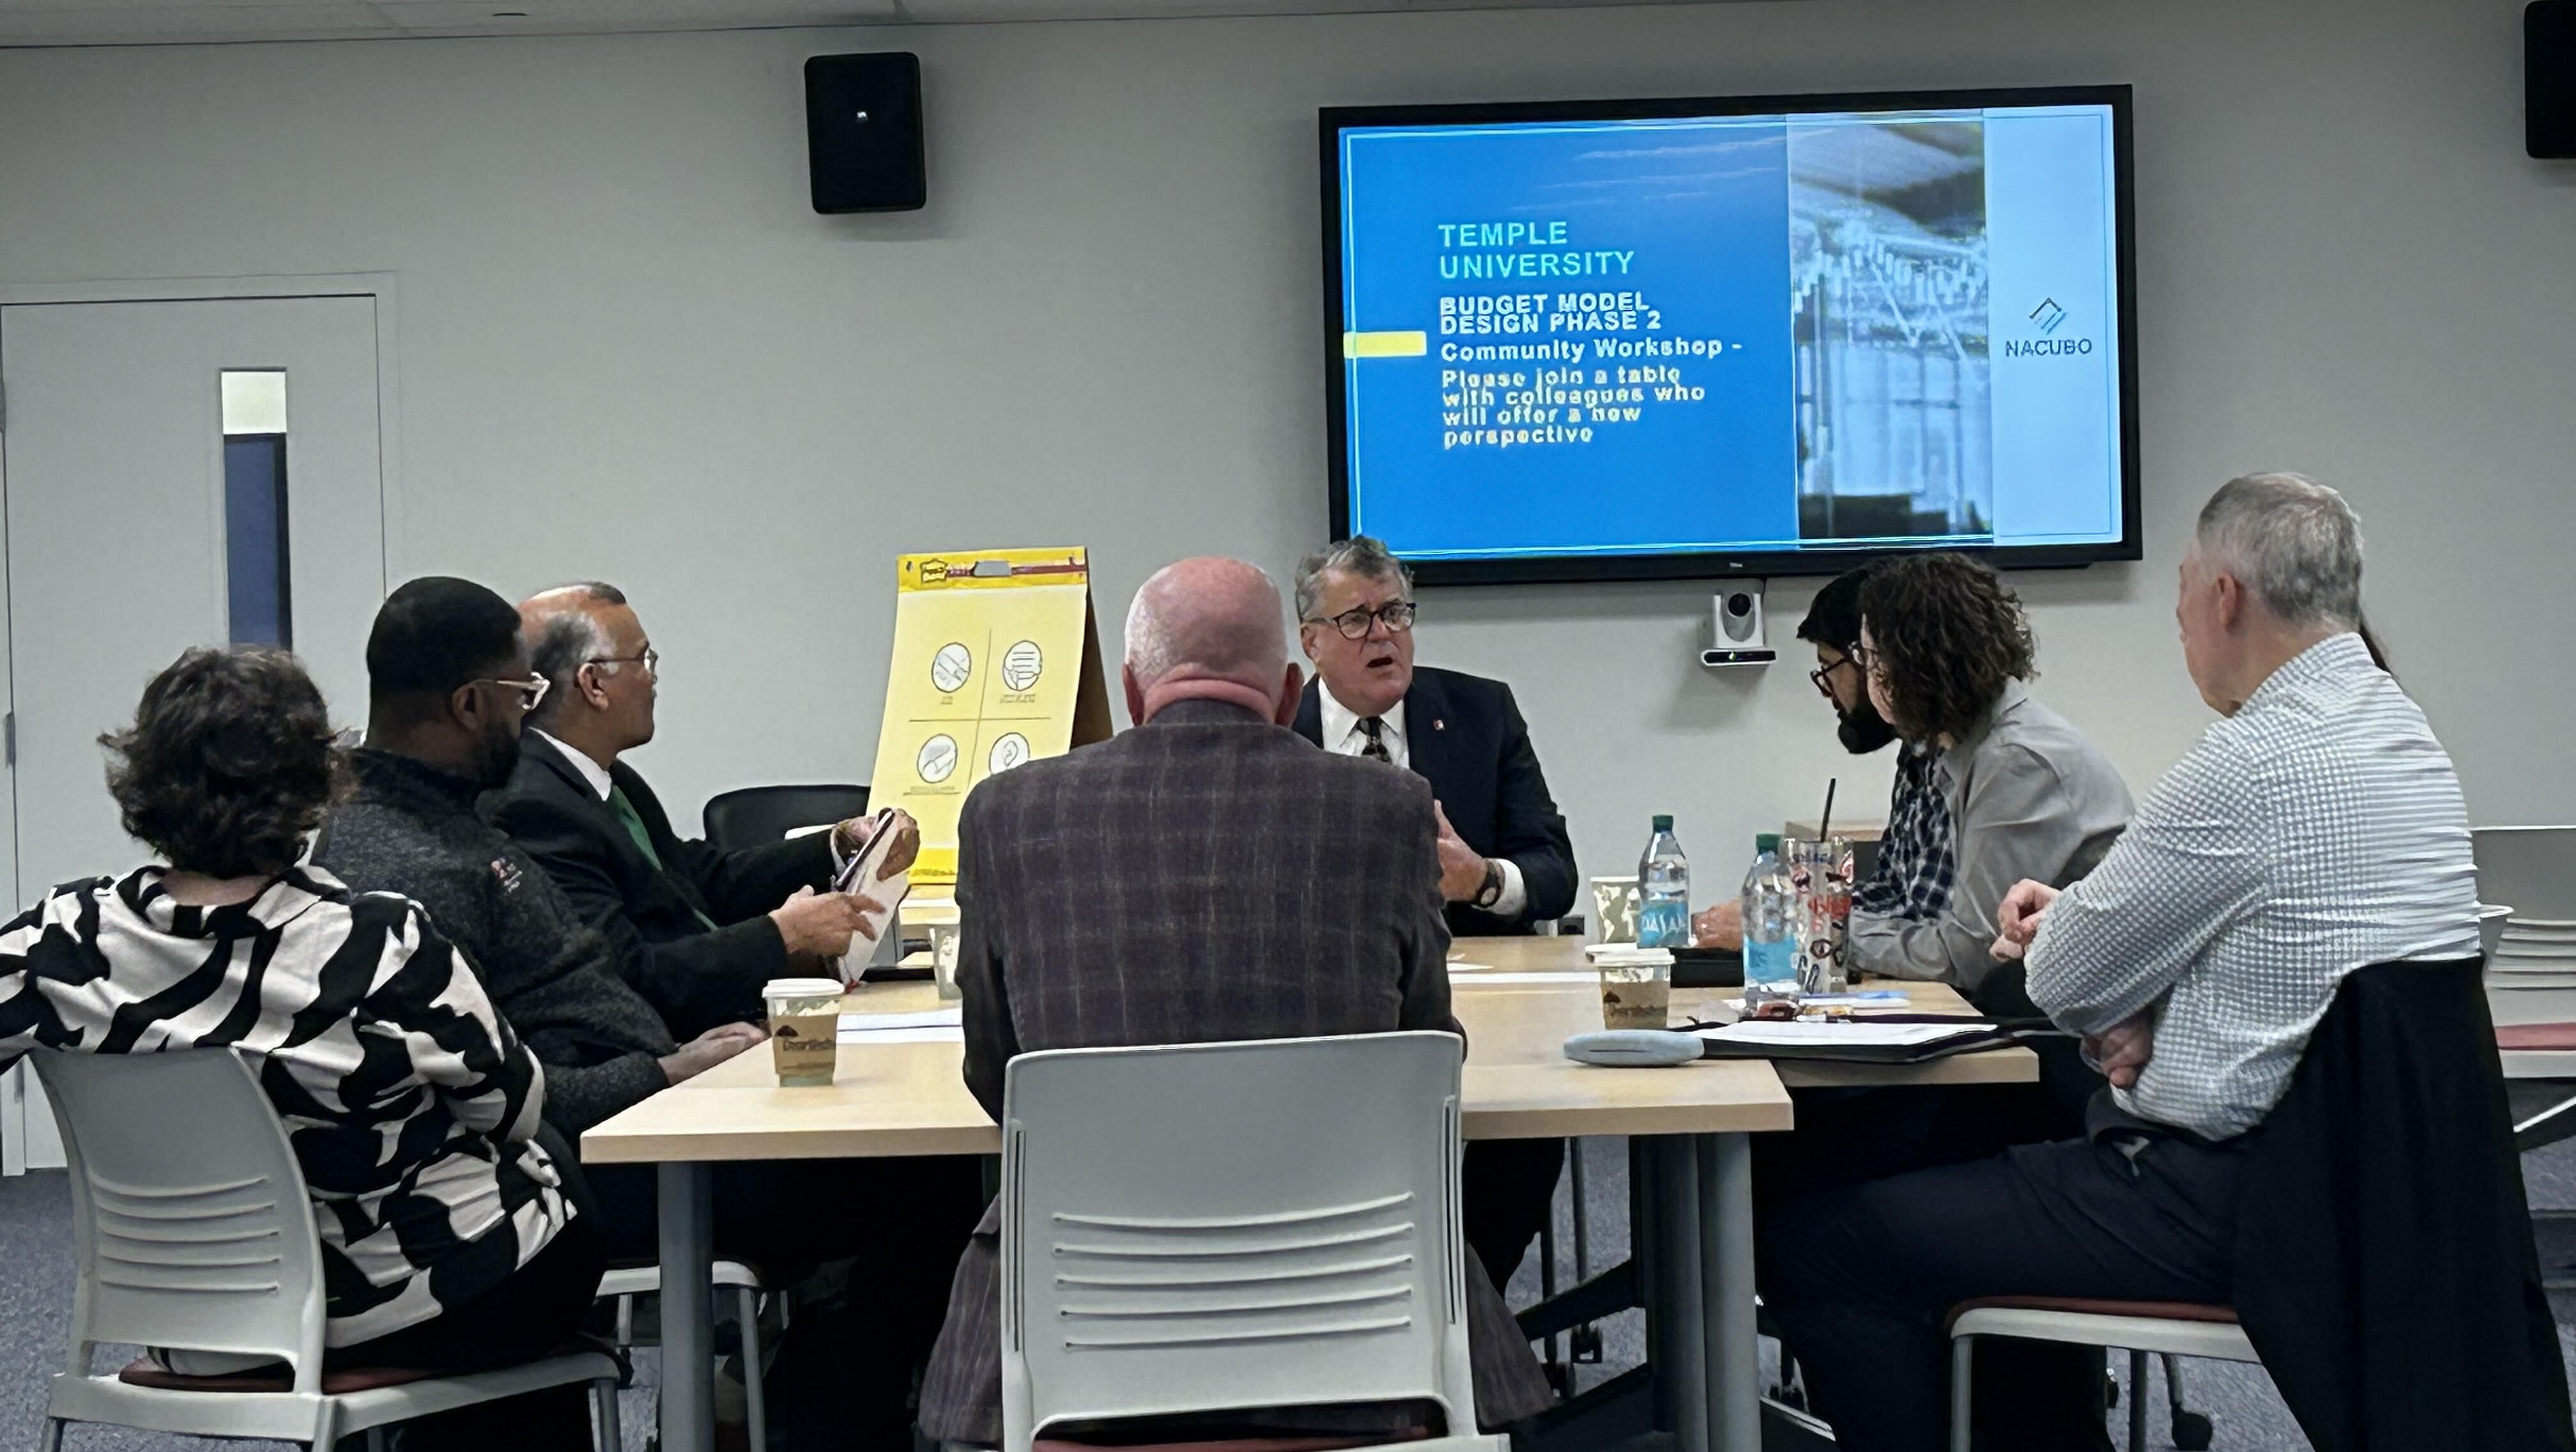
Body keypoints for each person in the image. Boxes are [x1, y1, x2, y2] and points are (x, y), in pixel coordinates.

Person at [1762, 474, 2483, 1452]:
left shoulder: (2247, 761)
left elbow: (2065, 979)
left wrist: (2081, 948)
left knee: (1824, 1244)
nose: (2179, 617)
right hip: (2373, 1188)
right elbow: (2298, 960)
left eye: (2182, 587)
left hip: (2220, 1197)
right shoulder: (2402, 737)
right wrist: (2131, 973)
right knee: (1979, 1177)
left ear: (2224, 595)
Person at [313, 576, 974, 1452]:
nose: (532, 714)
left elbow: (618, 954)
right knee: (918, 1184)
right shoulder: (431, 866)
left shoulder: (442, 831)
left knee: (902, 1175)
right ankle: (810, 1422)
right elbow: (504, 1091)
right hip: (583, 1170)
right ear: (471, 705)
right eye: (521, 696)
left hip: (617, 1124)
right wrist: (662, 1071)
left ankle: (790, 1407)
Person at [919, 557, 1554, 1447]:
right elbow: (1424, 1068)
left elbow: (999, 1077)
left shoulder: (1006, 814)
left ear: (1133, 690)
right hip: (1361, 1329)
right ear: (1292, 684)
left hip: (1086, 1336)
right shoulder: (1391, 810)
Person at [0, 647, 599, 1448]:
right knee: (550, 1192)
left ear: (141, 781)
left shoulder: (62, 938)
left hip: (203, 1329)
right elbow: (513, 1106)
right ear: (317, 784)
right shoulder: (376, 940)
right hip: (412, 1304)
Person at [1289, 534, 1574, 1288]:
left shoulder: (1480, 711)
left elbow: (1553, 871)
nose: (1383, 634)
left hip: (1478, 1015)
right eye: (1358, 620)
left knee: (1531, 1134)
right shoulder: (1273, 732)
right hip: (1316, 1012)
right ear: (1311, 642)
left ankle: (1461, 1304)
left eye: (1396, 613)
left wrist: (1481, 879)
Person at [484, 582, 912, 1040]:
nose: (653, 678)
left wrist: (839, 843)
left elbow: (703, 881)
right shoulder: (532, 807)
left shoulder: (609, 778)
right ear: (593, 683)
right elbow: (625, 975)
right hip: (670, 1054)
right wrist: (783, 935)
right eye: (643, 660)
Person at [1697, 556, 2131, 996]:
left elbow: (1968, 958)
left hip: (2057, 1028)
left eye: (1869, 658)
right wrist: (1805, 917)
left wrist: (1802, 929)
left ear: (1907, 666)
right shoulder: (1950, 745)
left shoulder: (2016, 764)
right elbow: (1907, 901)